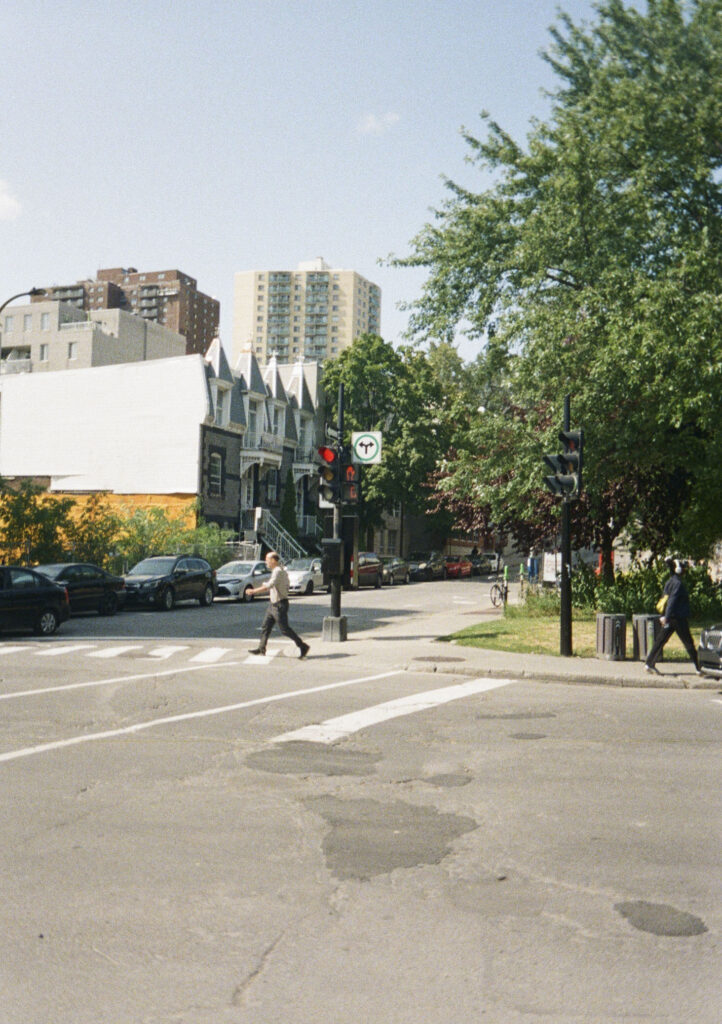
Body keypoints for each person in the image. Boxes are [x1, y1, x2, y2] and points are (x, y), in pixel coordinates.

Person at [248, 551, 310, 659]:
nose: (266, 562)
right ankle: (261, 648)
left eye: (267, 559)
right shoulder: (280, 570)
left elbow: (270, 585)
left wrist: (253, 591)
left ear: (273, 560)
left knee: (285, 629)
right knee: (265, 627)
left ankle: (302, 646)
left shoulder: (278, 571)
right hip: (273, 605)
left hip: (279, 605)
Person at [644, 558, 701, 675]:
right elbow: (672, 601)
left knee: (660, 641)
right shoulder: (678, 584)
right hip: (678, 618)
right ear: (679, 570)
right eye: (683, 567)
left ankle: (649, 663)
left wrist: (663, 615)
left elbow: (664, 599)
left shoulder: (669, 582)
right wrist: (667, 616)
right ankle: (699, 668)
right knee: (688, 642)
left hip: (669, 618)